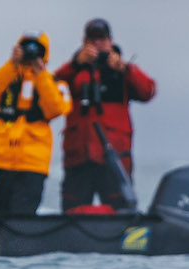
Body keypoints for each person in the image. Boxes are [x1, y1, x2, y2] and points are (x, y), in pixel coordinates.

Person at [54, 18, 157, 213]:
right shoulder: (73, 71)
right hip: (79, 157)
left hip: (114, 158)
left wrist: (126, 69)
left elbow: (148, 91)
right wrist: (75, 64)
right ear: (84, 42)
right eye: (92, 40)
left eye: (101, 39)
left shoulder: (122, 71)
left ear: (110, 41)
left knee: (120, 213)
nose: (97, 44)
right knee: (71, 214)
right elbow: (49, 88)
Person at [0, 31, 72, 214]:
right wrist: (11, 65)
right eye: (27, 47)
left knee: (22, 218)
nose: (31, 53)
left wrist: (41, 74)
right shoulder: (8, 75)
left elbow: (56, 109)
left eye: (36, 49)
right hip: (0, 160)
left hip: (32, 164)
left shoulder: (55, 83)